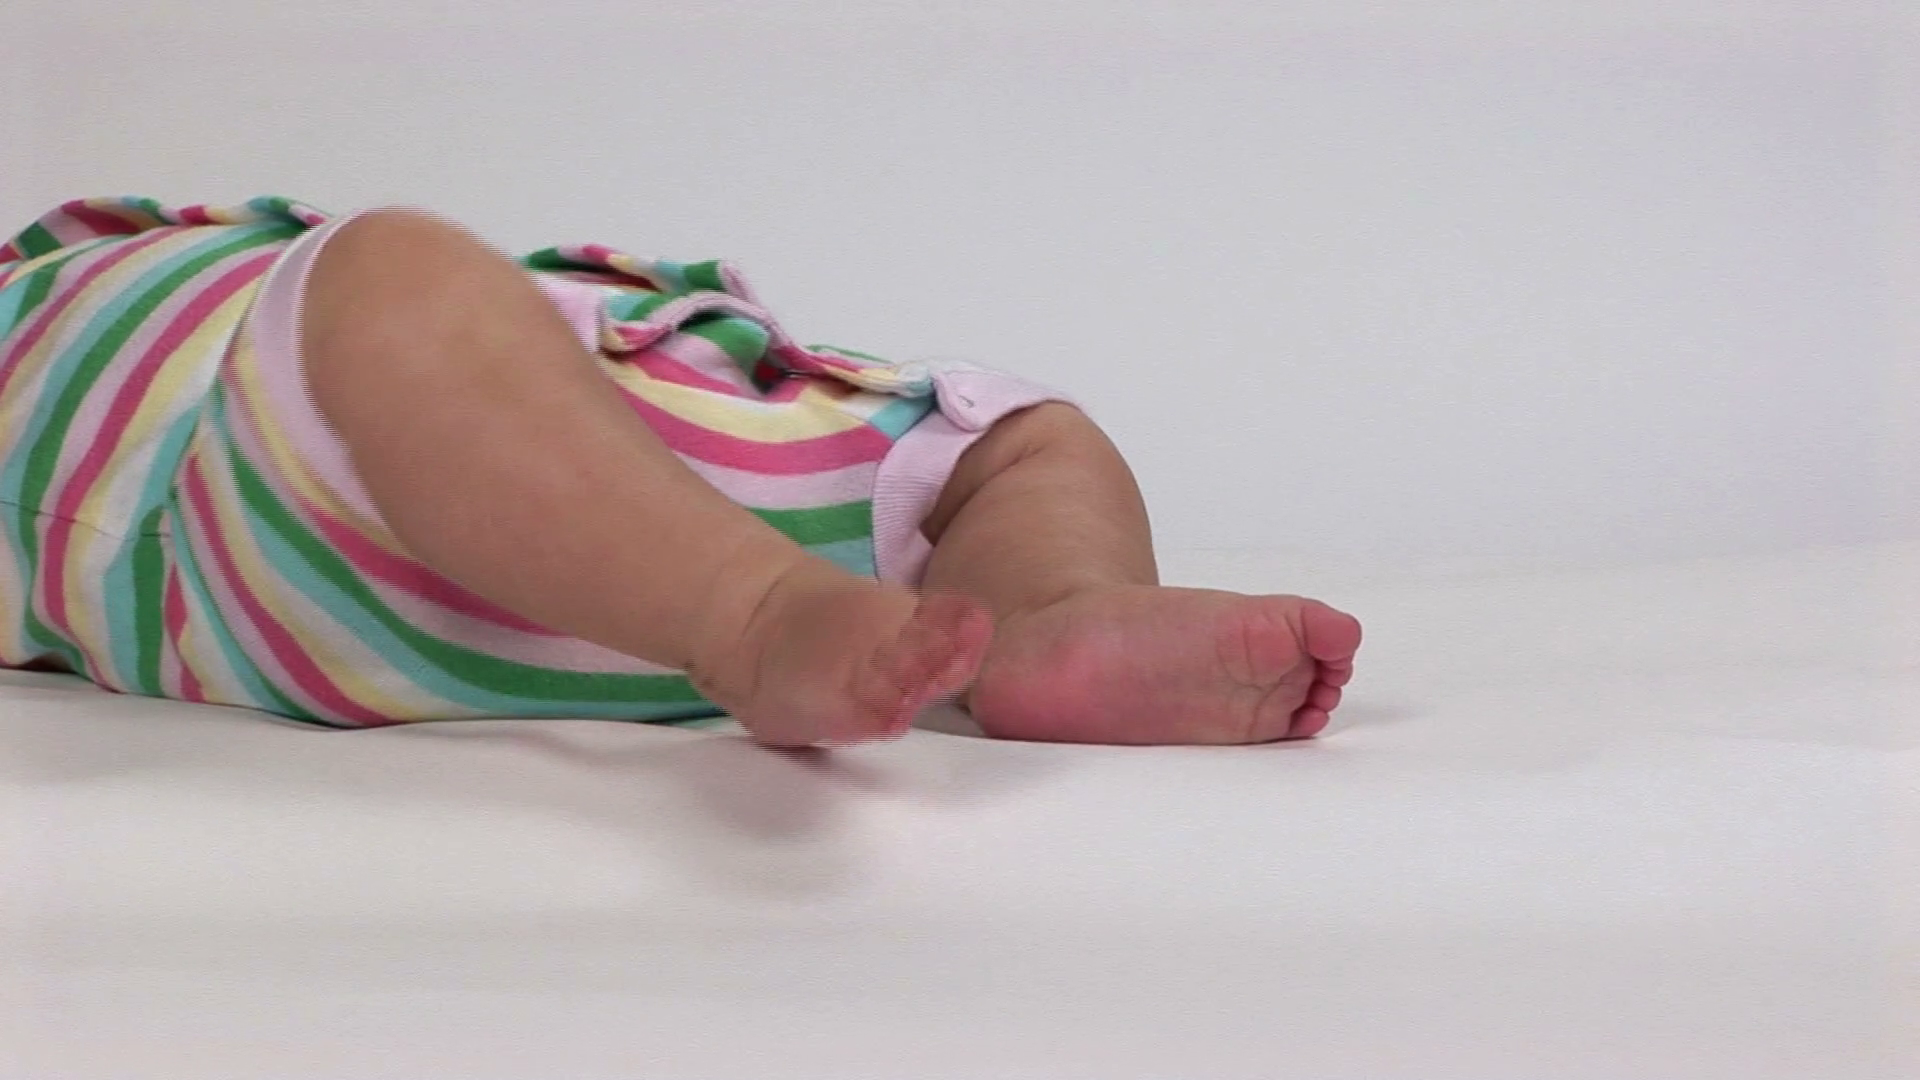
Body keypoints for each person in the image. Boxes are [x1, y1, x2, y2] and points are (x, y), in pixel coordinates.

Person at [0, 196, 1361, 747]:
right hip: (291, 504)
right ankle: (750, 615)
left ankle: (1039, 616)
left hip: (667, 454)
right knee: (389, 272)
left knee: (1024, 440)